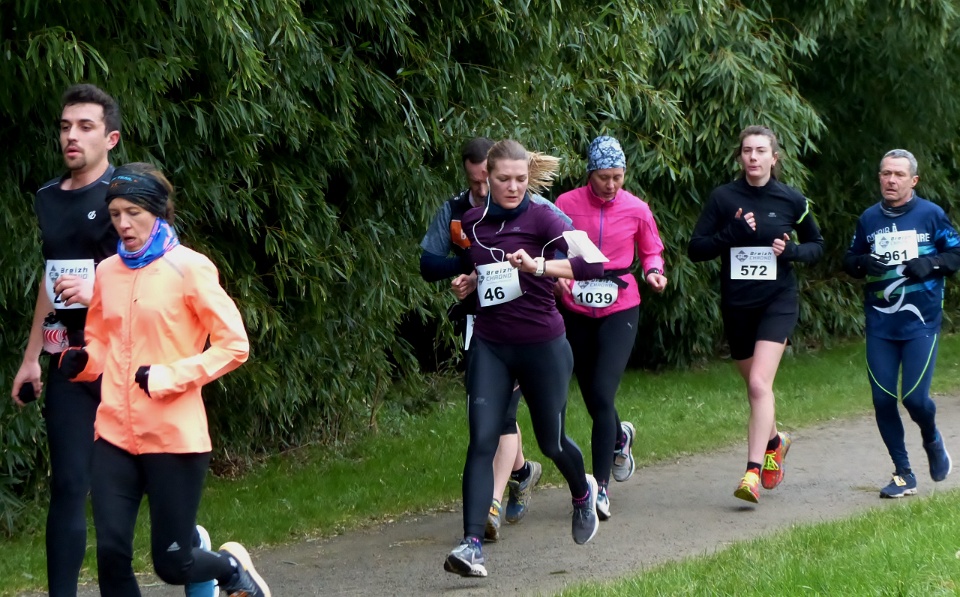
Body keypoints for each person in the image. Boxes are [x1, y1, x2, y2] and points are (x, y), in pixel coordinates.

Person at [56, 163, 270, 596]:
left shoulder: (190, 268)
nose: (123, 224)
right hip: (114, 433)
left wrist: (169, 376)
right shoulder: (107, 272)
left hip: (173, 435)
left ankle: (231, 569)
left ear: (157, 211)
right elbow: (103, 342)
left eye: (133, 213)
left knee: (174, 563)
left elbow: (234, 345)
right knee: (111, 555)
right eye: (115, 214)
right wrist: (84, 361)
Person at [443, 139, 603, 578]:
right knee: (482, 440)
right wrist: (470, 281)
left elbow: (593, 266)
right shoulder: (472, 223)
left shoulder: (545, 217)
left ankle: (582, 492)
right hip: (491, 345)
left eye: (520, 179)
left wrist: (538, 266)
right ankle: (472, 545)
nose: (513, 187)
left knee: (551, 442)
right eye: (503, 180)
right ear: (486, 179)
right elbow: (486, 267)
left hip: (542, 345)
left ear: (528, 177)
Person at [9, 83, 123, 597]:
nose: (71, 136)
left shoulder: (128, 197)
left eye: (85, 126)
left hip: (126, 360)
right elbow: (50, 276)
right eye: (64, 126)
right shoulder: (48, 199)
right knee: (70, 484)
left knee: (136, 488)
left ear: (111, 138)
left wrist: (99, 289)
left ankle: (198, 560)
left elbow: (161, 275)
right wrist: (31, 357)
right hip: (70, 360)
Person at [420, 137, 563, 540]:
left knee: (505, 415)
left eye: (490, 180)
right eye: (476, 182)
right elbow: (427, 264)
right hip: (479, 326)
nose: (484, 189)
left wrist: (549, 270)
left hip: (528, 328)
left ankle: (492, 506)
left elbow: (573, 250)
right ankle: (522, 471)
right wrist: (470, 269)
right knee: (490, 417)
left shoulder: (535, 208)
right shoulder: (457, 213)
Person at [688, 125, 823, 504]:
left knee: (759, 385)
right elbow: (696, 249)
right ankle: (776, 441)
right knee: (755, 387)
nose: (753, 157)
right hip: (738, 305)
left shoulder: (791, 199)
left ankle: (751, 473)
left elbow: (817, 245)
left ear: (773, 158)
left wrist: (793, 252)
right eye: (747, 150)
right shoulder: (724, 198)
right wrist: (729, 234)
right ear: (740, 157)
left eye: (761, 151)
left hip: (778, 301)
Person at [555, 135, 667, 519]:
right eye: (604, 177)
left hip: (621, 304)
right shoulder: (566, 204)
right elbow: (552, 247)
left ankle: (599, 487)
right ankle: (620, 437)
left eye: (618, 176)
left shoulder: (637, 208)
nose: (611, 184)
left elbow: (652, 249)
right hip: (576, 305)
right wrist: (558, 276)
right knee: (592, 396)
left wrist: (653, 271)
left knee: (603, 392)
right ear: (590, 173)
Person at [842, 149, 958, 498]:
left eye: (899, 175)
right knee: (882, 399)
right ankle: (903, 473)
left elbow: (956, 254)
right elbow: (850, 260)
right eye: (885, 173)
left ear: (914, 180)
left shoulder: (931, 214)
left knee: (915, 399)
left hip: (921, 321)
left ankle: (932, 439)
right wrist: (863, 262)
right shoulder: (869, 218)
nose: (891, 180)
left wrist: (931, 264)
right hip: (881, 322)